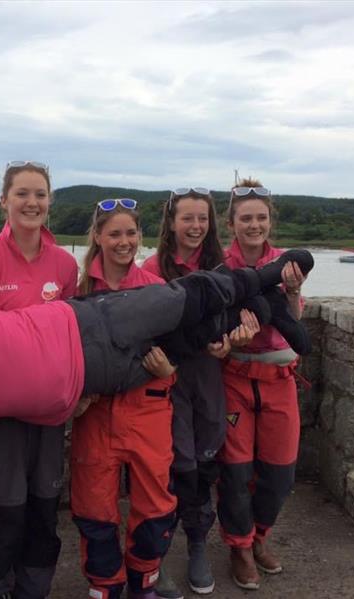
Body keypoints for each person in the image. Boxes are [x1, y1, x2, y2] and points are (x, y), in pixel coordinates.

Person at [0, 226, 314, 436]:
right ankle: (269, 308)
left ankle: (268, 276)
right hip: (94, 378)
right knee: (185, 341)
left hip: (85, 322)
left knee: (181, 299)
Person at [0, 161, 79, 599]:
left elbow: (74, 337)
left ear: (50, 202)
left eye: (40, 194)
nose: (32, 203)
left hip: (50, 411)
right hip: (1, 413)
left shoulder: (65, 265)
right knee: (5, 508)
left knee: (44, 506)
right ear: (4, 202)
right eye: (22, 194)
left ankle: (34, 589)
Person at [142, 187, 252, 598]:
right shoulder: (152, 268)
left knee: (205, 466)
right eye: (187, 218)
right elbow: (144, 330)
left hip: (209, 381)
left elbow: (234, 318)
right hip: (167, 382)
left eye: (202, 219)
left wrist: (230, 341)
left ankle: (198, 546)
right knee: (173, 471)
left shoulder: (221, 266)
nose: (195, 226)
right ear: (171, 223)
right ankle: (157, 560)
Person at [70, 198, 178, 599]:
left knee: (155, 507)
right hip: (94, 417)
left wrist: (170, 372)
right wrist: (74, 400)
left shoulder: (157, 290)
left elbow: (178, 349)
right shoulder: (77, 290)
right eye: (114, 233)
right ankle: (104, 588)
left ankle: (144, 581)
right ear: (98, 237)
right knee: (94, 510)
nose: (124, 241)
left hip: (148, 412)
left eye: (131, 233)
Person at [215, 179, 309, 591]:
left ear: (270, 221)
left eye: (261, 217)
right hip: (236, 377)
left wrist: (292, 292)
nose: (254, 225)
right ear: (232, 223)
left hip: (279, 378)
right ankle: (239, 546)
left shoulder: (286, 262)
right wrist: (231, 336)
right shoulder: (221, 267)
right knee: (235, 472)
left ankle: (259, 537)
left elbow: (294, 322)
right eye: (246, 218)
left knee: (280, 471)